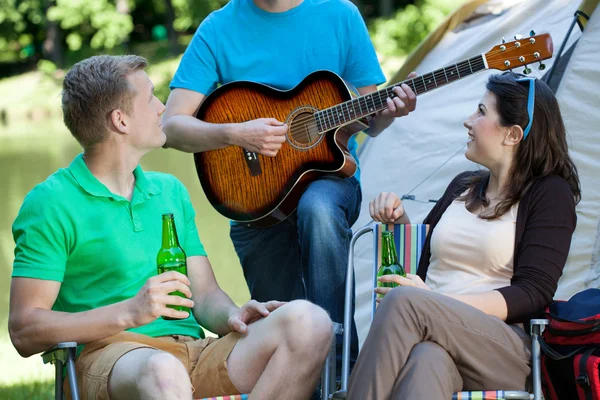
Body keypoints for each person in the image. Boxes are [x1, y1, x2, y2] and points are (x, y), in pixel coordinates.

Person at [8, 55, 334, 400]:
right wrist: (129, 312)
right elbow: (25, 329)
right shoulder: (50, 203)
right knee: (163, 371)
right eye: (150, 98)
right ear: (120, 120)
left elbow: (205, 295)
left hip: (191, 353)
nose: (163, 107)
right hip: (109, 358)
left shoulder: (169, 191)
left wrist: (233, 315)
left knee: (309, 322)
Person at [162, 0, 417, 373]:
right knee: (281, 342)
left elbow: (368, 119)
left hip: (331, 180)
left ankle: (340, 372)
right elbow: (171, 127)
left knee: (318, 207)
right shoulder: (218, 28)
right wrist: (235, 133)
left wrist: (391, 114)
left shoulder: (340, 14)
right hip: (254, 199)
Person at [348, 72, 581, 399]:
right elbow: (422, 266)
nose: (468, 121)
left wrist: (434, 302)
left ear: (512, 134)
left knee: (406, 302)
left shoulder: (549, 194)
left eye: (482, 112)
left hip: (502, 347)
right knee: (427, 361)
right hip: (433, 333)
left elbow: (533, 293)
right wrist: (399, 220)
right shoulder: (463, 186)